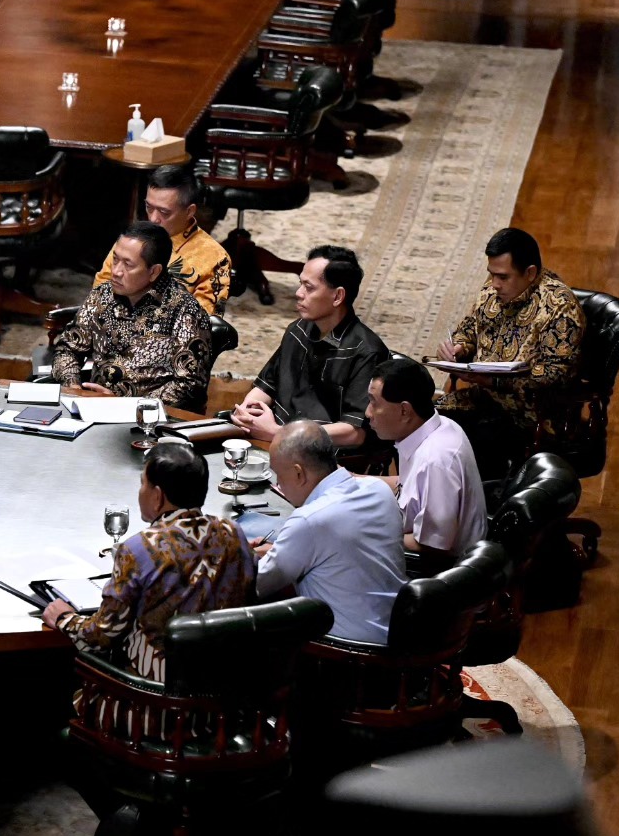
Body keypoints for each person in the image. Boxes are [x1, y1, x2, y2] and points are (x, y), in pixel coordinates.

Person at [40, 442, 256, 681]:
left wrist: (64, 618)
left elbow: (101, 637)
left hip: (152, 696)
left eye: (143, 483)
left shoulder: (139, 548)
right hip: (225, 691)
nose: (140, 491)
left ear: (157, 496)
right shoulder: (233, 532)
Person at [435, 227, 584, 472]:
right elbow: (469, 328)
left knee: (463, 447)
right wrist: (458, 348)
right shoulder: (492, 291)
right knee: (420, 425)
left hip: (529, 416)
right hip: (483, 400)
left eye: (503, 277)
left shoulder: (560, 308)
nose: (494, 284)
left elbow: (557, 373)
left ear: (530, 273)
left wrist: (495, 381)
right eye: (491, 274)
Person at [255, 421, 405, 644]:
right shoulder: (379, 490)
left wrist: (238, 554)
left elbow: (258, 585)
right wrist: (279, 551)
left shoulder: (309, 520)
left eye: (278, 475)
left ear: (298, 473)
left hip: (345, 648)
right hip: (399, 629)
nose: (278, 484)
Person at [233, 246, 389, 448]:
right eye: (301, 284)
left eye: (309, 287)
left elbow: (354, 432)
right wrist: (246, 411)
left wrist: (281, 433)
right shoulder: (298, 329)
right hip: (274, 439)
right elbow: (266, 386)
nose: (298, 293)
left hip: (318, 454)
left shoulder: (367, 352)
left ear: (338, 296)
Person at [52, 221, 213, 409]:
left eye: (128, 264)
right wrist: (74, 387)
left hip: (150, 419)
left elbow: (190, 386)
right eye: (115, 259)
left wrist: (125, 406)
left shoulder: (185, 311)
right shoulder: (102, 296)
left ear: (154, 272)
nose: (116, 271)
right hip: (91, 408)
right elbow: (68, 349)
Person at [366, 358, 487, 562]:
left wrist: (368, 537)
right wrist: (351, 478)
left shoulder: (436, 461)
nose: (368, 413)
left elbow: (431, 545)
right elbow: (409, 487)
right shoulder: (436, 426)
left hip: (437, 570)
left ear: (404, 410)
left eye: (374, 403)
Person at [91, 164, 232, 317]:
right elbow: (99, 291)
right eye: (149, 207)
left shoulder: (214, 258)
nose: (153, 219)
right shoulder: (131, 239)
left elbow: (203, 322)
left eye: (164, 212)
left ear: (189, 211)